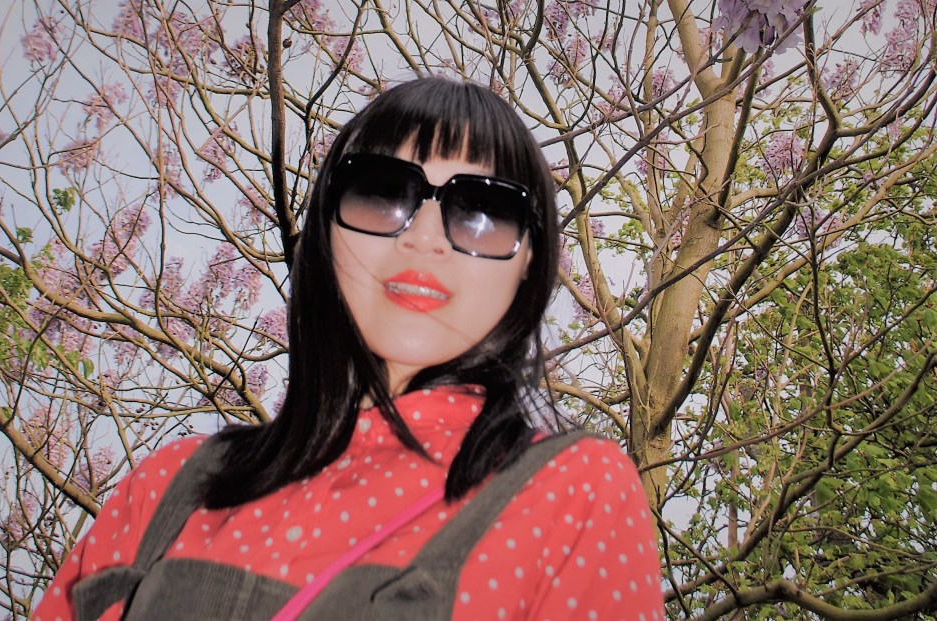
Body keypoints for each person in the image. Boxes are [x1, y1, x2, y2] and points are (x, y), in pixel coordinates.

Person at [34, 77, 664, 621]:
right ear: (326, 226)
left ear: (530, 259)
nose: (423, 238)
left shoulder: (573, 492)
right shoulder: (169, 487)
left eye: (482, 209)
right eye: (383, 192)